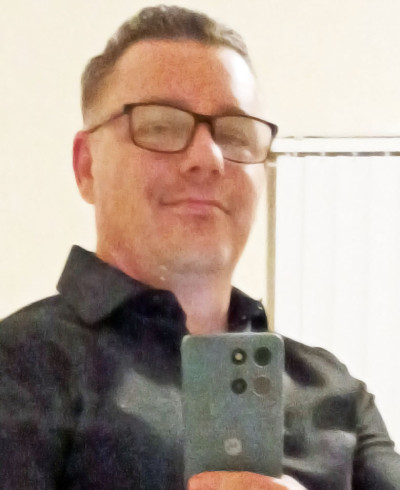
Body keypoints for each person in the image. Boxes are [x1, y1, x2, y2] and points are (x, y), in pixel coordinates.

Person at [0, 5, 399, 489]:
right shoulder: (18, 364)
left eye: (235, 133)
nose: (208, 158)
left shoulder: (335, 391)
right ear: (87, 167)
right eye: (160, 126)